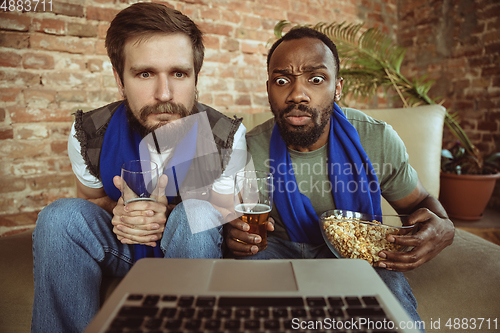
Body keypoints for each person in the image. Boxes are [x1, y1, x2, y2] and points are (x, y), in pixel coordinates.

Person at [31, 3, 245, 332]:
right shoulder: (88, 134)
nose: (164, 94)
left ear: (195, 76)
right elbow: (90, 202)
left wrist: (171, 213)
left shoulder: (226, 137)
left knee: (197, 215)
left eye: (179, 73)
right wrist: (120, 210)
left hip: (190, 246)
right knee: (59, 217)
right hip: (122, 246)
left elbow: (228, 219)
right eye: (145, 74)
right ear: (120, 78)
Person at [225, 27, 455, 325]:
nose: (297, 93)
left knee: (393, 307)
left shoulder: (376, 139)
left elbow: (420, 203)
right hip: (275, 253)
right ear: (269, 88)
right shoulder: (246, 149)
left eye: (316, 79)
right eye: (282, 81)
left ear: (338, 88)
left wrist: (444, 226)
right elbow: (234, 225)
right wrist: (234, 236)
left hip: (355, 256)